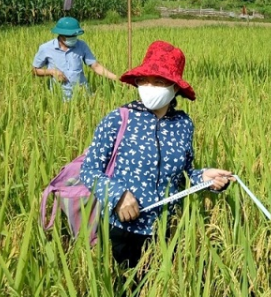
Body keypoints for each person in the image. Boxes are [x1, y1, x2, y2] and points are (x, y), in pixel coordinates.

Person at [80, 40, 234, 268]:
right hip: (122, 230)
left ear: (174, 88)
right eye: (144, 80)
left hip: (167, 231)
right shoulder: (119, 118)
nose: (149, 86)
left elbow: (183, 175)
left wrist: (204, 177)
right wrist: (118, 195)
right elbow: (89, 170)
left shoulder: (183, 124)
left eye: (159, 81)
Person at [32, 17, 119, 100]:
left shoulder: (81, 45)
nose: (73, 38)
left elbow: (96, 66)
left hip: (83, 94)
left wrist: (118, 78)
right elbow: (35, 70)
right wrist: (52, 71)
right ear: (60, 34)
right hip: (59, 97)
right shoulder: (46, 48)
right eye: (69, 36)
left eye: (75, 35)